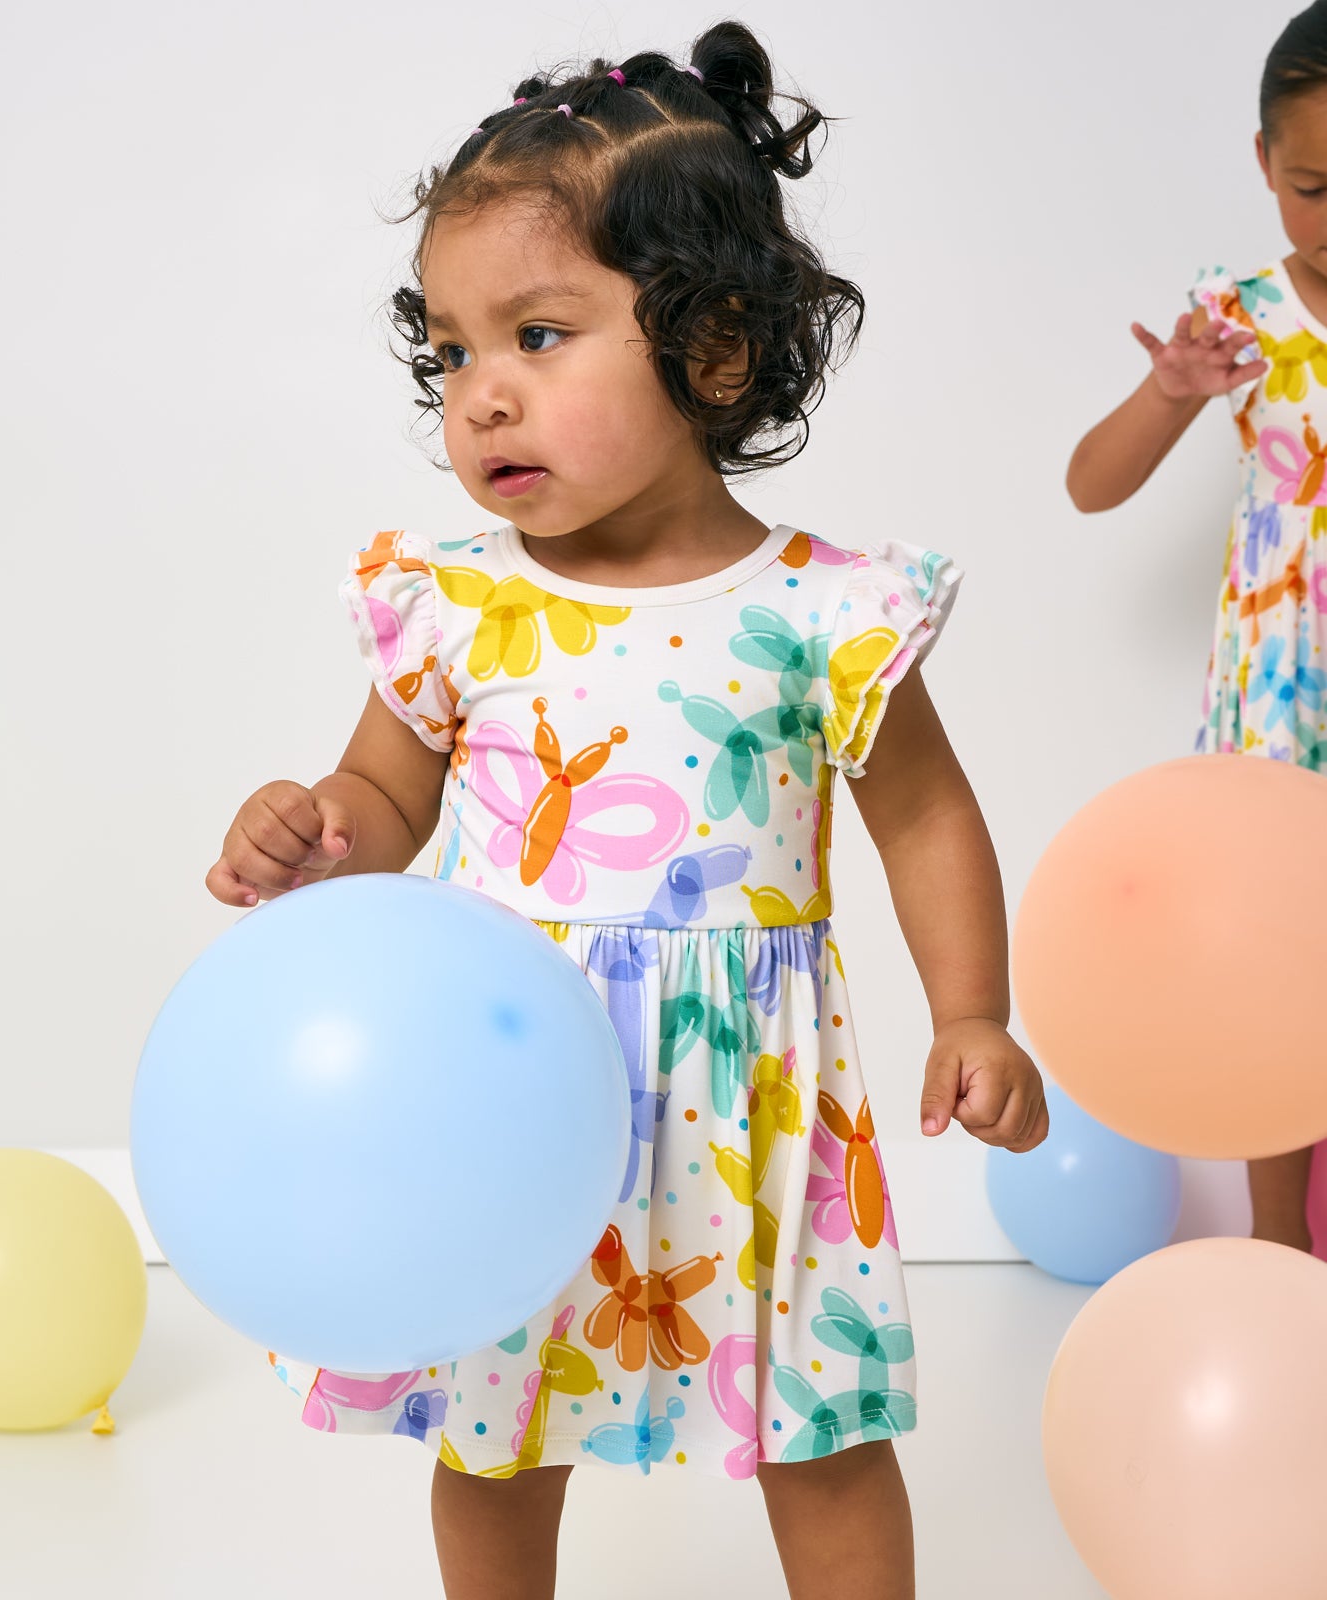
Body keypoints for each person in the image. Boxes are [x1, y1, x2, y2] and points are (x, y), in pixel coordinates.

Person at [208, 22, 1047, 1600]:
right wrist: (315, 828)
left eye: (538, 334)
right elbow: (385, 798)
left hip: (760, 1107)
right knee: (493, 1426)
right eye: (453, 353)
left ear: (713, 350)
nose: (482, 399)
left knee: (827, 1427)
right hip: (515, 1091)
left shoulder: (819, 609)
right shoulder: (458, 606)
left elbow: (925, 816)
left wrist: (976, 1011)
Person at [1066, 2, 1327, 1258]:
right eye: (1316, 185)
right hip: (1281, 703)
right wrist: (1168, 392)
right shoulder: (1235, 319)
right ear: (1265, 165)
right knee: (1286, 979)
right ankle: (1284, 1259)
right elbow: (1089, 484)